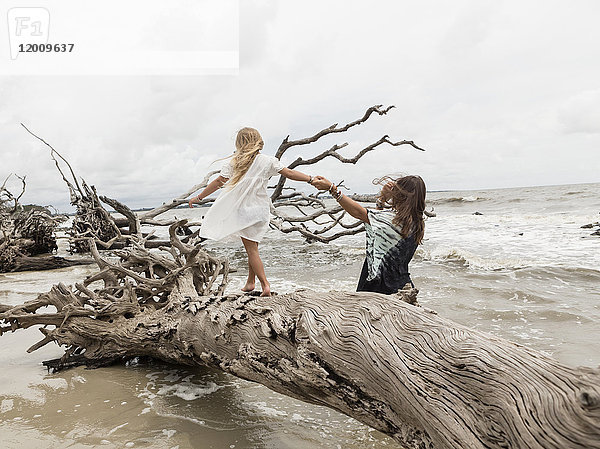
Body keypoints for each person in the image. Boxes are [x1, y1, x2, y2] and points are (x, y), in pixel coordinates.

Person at [188, 127, 314, 297]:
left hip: (244, 211)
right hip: (261, 210)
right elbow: (289, 173)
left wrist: (199, 197)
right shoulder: (268, 161)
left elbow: (219, 181)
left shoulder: (234, 162)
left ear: (239, 143)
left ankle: (265, 285)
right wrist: (311, 179)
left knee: (251, 250)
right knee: (253, 247)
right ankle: (250, 282)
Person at [311, 175, 426, 295]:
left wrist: (332, 189)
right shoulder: (416, 223)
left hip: (380, 288)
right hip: (400, 285)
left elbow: (359, 212)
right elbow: (380, 228)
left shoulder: (395, 221)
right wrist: (381, 200)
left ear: (401, 196)